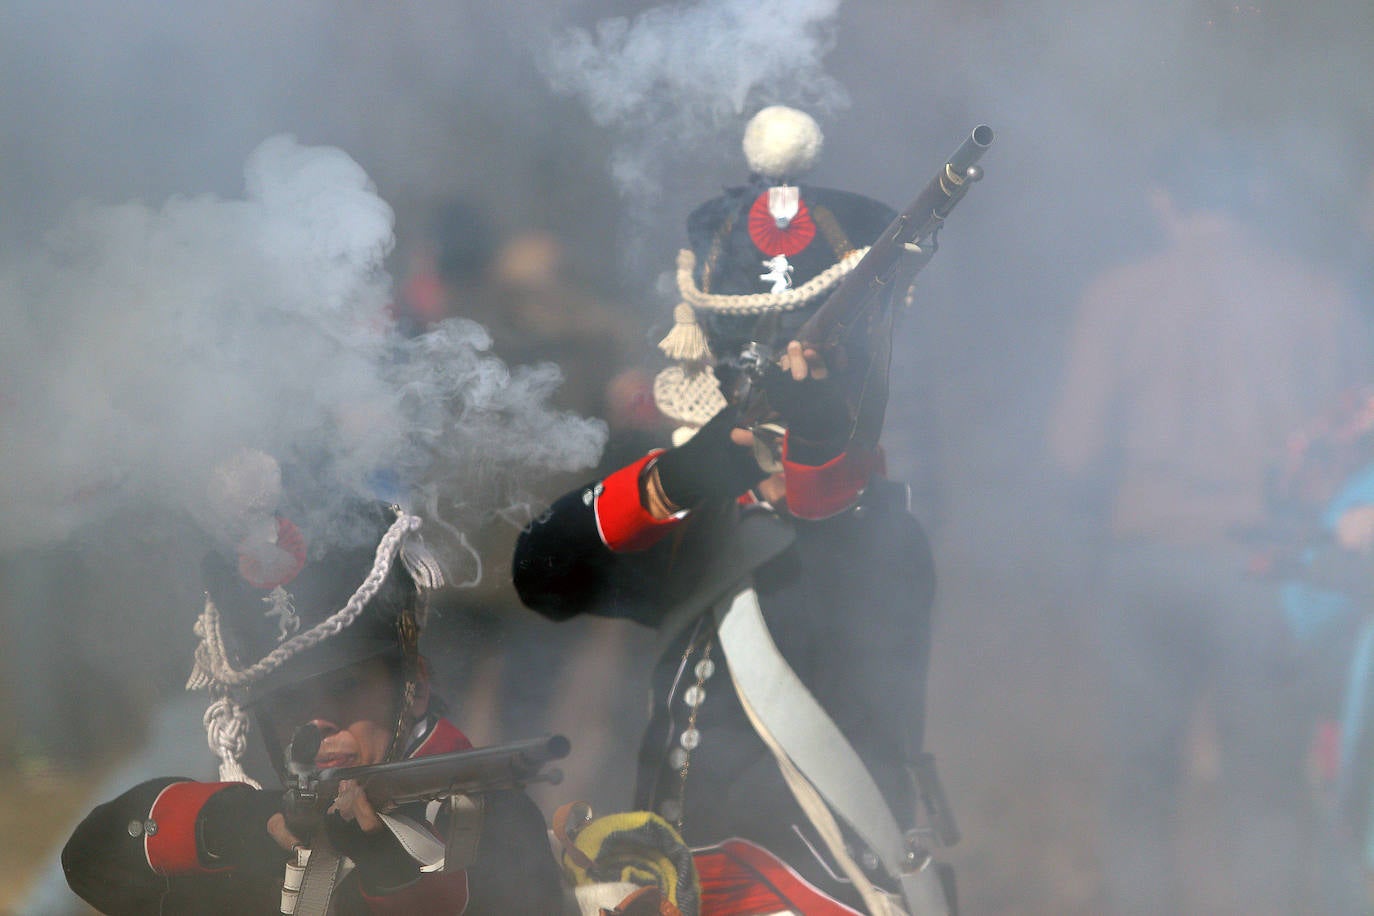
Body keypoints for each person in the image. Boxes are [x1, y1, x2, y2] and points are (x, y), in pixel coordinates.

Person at [514, 106, 951, 915]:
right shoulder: (702, 505)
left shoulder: (886, 532)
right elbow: (544, 575)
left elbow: (829, 541)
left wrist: (816, 450)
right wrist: (675, 479)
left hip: (824, 885)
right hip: (678, 879)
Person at [1047, 137, 1372, 914]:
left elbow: (1072, 451)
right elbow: (1350, 442)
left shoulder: (1119, 295)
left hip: (1147, 564)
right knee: (1264, 790)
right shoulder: (1316, 296)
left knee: (1140, 788)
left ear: (1164, 202)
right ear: (1254, 199)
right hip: (1268, 571)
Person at [60, 449, 565, 915]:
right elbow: (90, 860)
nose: (318, 718)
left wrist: (385, 869)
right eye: (288, 699)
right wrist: (255, 826)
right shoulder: (255, 836)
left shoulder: (491, 823)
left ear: (415, 689)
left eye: (346, 688)